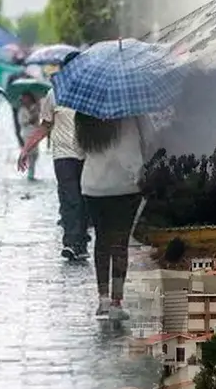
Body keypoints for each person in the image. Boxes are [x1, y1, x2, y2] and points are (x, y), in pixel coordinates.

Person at [75, 113, 157, 321]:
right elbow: (150, 140)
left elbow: (78, 150)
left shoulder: (85, 112)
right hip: (126, 184)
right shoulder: (134, 111)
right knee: (120, 243)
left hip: (94, 185)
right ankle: (116, 302)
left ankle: (102, 298)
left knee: (101, 240)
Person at [18, 83, 89, 262]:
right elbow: (45, 125)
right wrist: (26, 149)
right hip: (63, 154)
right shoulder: (55, 93)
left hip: (88, 154)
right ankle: (71, 242)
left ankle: (81, 242)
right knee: (69, 197)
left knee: (84, 198)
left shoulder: (90, 91)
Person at [16, 92, 41, 181]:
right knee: (30, 153)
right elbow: (23, 122)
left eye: (26, 98)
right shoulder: (22, 110)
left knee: (36, 153)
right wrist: (31, 118)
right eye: (23, 98)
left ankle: (31, 169)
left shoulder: (36, 107)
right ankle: (30, 172)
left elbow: (39, 120)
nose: (25, 100)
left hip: (35, 133)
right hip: (26, 134)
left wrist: (37, 110)